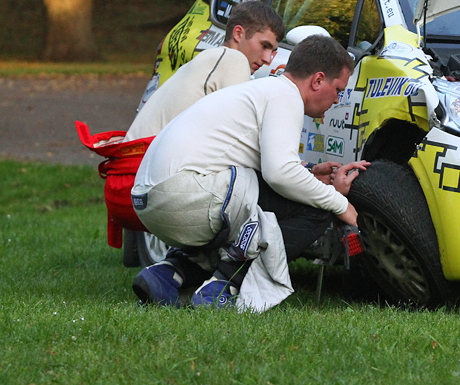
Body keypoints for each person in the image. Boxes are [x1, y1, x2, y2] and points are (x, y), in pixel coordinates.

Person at [130, 35, 367, 310]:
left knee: (250, 204)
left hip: (150, 200)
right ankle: (224, 286)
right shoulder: (285, 96)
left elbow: (261, 162)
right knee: (314, 209)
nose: (337, 100)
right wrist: (340, 204)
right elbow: (280, 174)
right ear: (318, 80)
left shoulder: (264, 90)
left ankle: (169, 273)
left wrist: (309, 172)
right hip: (184, 194)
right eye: (338, 90)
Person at [125, 0, 286, 141]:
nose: (267, 59)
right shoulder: (232, 59)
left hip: (138, 158)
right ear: (238, 34)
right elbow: (241, 134)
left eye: (273, 51)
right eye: (264, 46)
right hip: (144, 160)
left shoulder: (209, 59)